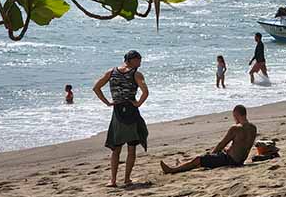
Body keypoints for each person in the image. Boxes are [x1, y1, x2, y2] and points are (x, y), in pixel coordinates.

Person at [93, 50, 149, 188]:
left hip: (117, 111)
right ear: (131, 60)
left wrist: (107, 102)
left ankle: (113, 180)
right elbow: (145, 91)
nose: (140, 62)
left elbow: (96, 88)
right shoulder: (136, 74)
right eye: (138, 60)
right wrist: (138, 103)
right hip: (130, 111)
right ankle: (126, 179)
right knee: (131, 148)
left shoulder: (111, 72)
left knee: (116, 148)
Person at [160, 105, 257, 174]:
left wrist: (212, 154)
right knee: (204, 158)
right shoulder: (253, 128)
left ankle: (172, 170)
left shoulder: (236, 128)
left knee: (199, 159)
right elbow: (244, 146)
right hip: (240, 160)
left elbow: (221, 144)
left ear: (236, 115)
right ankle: (182, 163)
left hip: (230, 160)